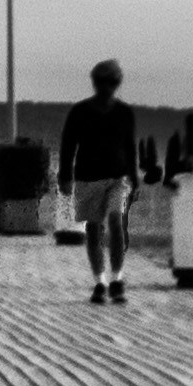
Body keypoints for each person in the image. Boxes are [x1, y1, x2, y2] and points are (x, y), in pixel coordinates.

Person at [63, 58, 141, 303]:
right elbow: (68, 146)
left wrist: (135, 178)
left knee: (117, 222)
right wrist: (65, 177)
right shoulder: (80, 112)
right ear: (95, 83)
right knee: (94, 230)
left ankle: (117, 278)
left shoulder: (124, 113)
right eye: (101, 81)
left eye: (111, 82)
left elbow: (130, 147)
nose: (105, 86)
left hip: (117, 178)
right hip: (87, 178)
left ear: (116, 84)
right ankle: (100, 281)